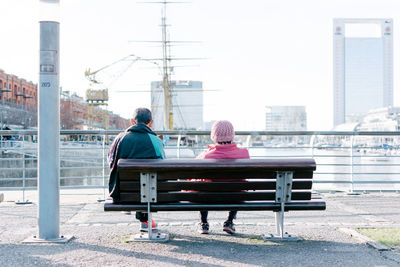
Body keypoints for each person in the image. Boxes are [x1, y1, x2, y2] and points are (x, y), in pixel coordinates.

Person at [108, 107, 165, 232]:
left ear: (132, 121)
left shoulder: (119, 139)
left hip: (122, 191)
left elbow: (111, 161)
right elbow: (162, 165)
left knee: (140, 181)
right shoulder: (155, 141)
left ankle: (144, 220)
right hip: (153, 193)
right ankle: (145, 220)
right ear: (151, 123)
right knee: (148, 179)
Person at [196, 120, 250, 234]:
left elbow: (193, 178)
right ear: (232, 135)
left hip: (208, 198)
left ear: (214, 136)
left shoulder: (206, 156)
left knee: (201, 185)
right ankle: (229, 221)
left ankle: (204, 222)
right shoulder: (244, 154)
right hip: (235, 197)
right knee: (238, 186)